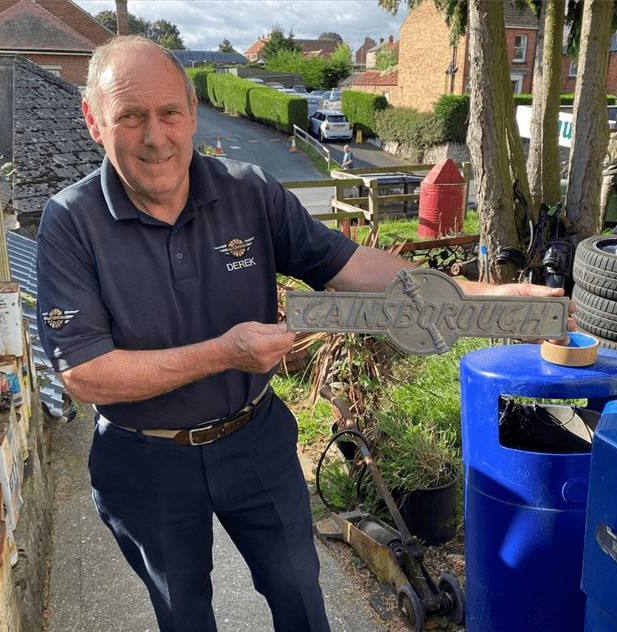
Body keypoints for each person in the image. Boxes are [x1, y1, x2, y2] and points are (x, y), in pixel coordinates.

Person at [35, 35, 571, 632]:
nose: (155, 137)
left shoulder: (250, 192)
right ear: (94, 122)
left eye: (169, 113)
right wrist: (225, 352)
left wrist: (486, 297)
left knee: (299, 594)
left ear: (191, 111)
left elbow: (354, 267)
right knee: (183, 615)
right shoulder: (70, 221)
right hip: (143, 458)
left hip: (252, 438)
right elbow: (85, 374)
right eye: (130, 117)